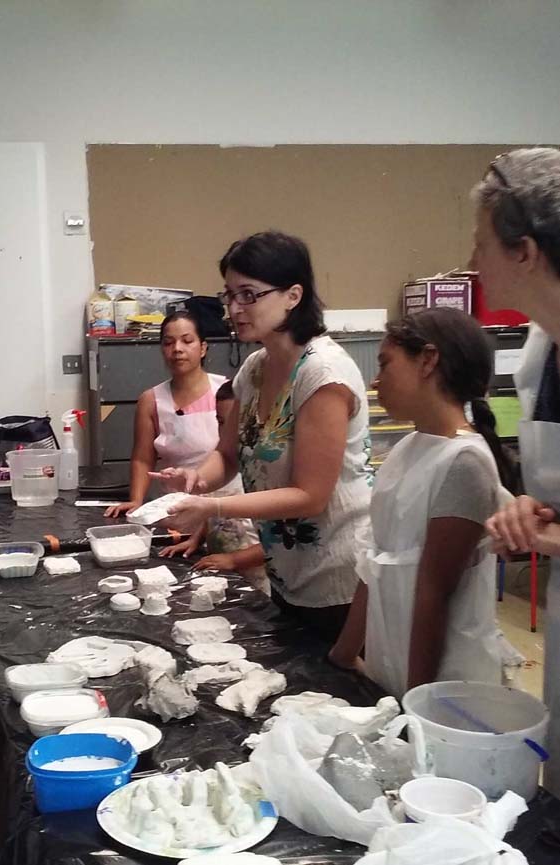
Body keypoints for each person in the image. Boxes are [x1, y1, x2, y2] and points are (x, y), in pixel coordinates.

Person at [160, 230, 373, 642]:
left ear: (293, 295)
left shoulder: (323, 374)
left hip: (337, 575)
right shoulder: (256, 367)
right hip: (286, 566)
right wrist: (196, 480)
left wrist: (212, 507)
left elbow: (311, 495)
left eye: (249, 295)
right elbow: (227, 454)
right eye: (229, 295)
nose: (234, 308)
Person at [329, 308, 519, 698]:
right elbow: (374, 561)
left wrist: (418, 705)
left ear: (428, 360)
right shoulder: (406, 450)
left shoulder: (464, 463)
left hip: (444, 685)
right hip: (392, 668)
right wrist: (343, 656)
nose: (376, 380)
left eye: (385, 364)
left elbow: (434, 595)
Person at [477, 148, 560, 795]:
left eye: (482, 244)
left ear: (525, 252)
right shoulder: (540, 349)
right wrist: (537, 508)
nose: (473, 261)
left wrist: (549, 534)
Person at [104, 311, 257, 557]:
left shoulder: (228, 392)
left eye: (187, 341)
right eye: (168, 342)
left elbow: (236, 452)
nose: (177, 349)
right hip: (176, 510)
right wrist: (137, 501)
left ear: (203, 347)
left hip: (226, 507)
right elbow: (143, 458)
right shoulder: (151, 400)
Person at [159, 379, 267, 591]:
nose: (227, 432)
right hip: (220, 570)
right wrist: (196, 539)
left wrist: (234, 560)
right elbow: (213, 513)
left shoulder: (262, 474)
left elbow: (279, 542)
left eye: (236, 423)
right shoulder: (219, 465)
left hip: (256, 578)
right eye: (220, 422)